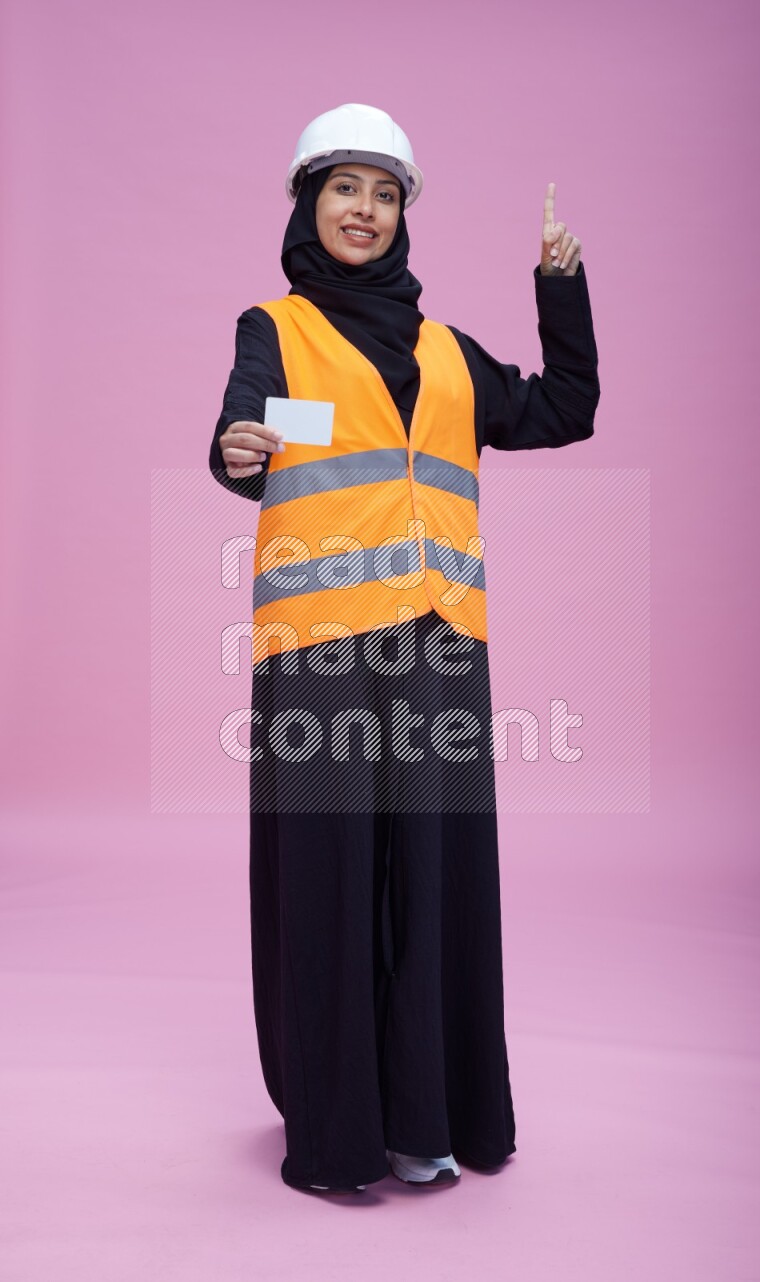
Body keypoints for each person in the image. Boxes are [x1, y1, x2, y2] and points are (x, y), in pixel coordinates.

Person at [209, 103, 600, 1195]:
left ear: (403, 216)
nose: (364, 211)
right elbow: (246, 433)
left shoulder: (448, 352)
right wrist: (237, 451)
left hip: (438, 646)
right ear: (307, 200)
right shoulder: (274, 330)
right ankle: (335, 1134)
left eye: (384, 194)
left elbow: (564, 407)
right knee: (330, 881)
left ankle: (426, 1118)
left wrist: (558, 288)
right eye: (345, 188)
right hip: (321, 652)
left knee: (431, 880)